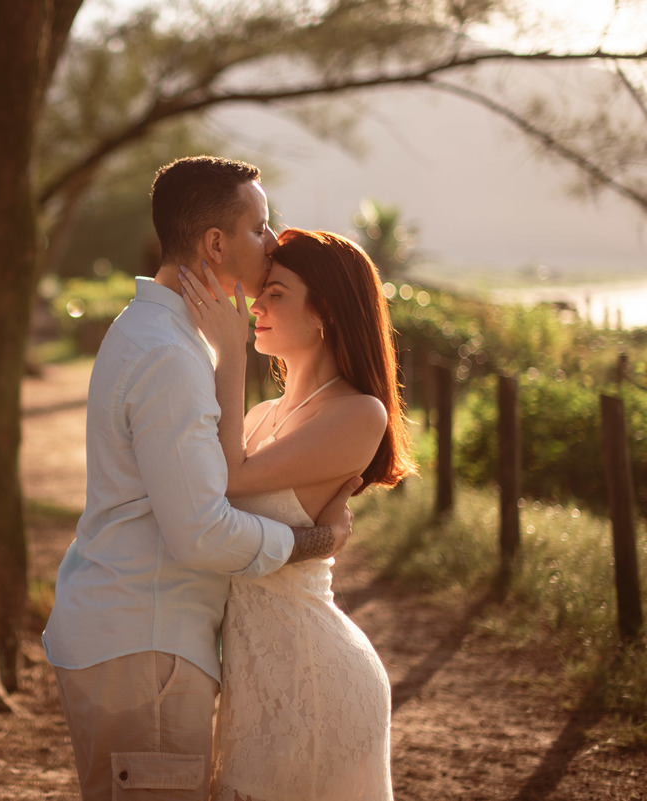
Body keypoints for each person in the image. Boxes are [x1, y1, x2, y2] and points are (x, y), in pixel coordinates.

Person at [42, 156, 362, 801]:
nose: (273, 243)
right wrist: (311, 544)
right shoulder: (169, 355)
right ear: (215, 243)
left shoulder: (154, 333)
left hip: (136, 636)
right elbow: (200, 533)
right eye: (259, 227)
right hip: (147, 647)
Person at [178, 228, 416, 801]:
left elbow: (227, 478)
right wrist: (323, 536)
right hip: (252, 681)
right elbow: (204, 503)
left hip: (314, 676)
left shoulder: (360, 413)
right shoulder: (260, 416)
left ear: (325, 313)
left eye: (276, 293)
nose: (256, 304)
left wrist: (229, 350)